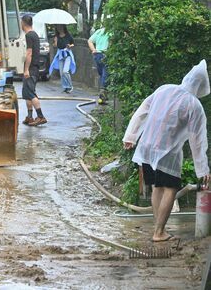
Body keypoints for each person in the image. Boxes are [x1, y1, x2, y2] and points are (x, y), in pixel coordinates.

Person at [123, 59, 210, 243]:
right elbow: (198, 141)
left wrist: (130, 136)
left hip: (146, 147)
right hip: (167, 152)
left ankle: (158, 228)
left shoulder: (164, 89)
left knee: (156, 187)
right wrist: (203, 171)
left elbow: (141, 111)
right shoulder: (194, 105)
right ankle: (159, 232)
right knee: (170, 188)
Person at [21, 14, 47, 127]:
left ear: (23, 23)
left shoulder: (29, 35)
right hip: (34, 68)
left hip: (31, 69)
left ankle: (40, 116)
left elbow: (29, 53)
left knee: (31, 93)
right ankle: (30, 116)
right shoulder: (34, 34)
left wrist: (26, 69)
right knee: (27, 93)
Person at [50, 24, 76, 93]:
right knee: (61, 73)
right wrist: (55, 41)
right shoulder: (57, 36)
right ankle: (65, 87)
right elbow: (55, 46)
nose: (59, 28)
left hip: (67, 55)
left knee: (65, 71)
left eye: (60, 27)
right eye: (58, 27)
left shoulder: (68, 35)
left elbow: (73, 43)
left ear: (63, 27)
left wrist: (69, 46)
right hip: (60, 55)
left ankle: (70, 86)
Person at [88, 27, 109, 104]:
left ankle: (102, 95)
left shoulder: (99, 31)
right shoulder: (111, 32)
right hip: (106, 54)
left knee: (101, 74)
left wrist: (93, 50)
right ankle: (102, 94)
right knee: (105, 74)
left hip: (97, 55)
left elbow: (90, 41)